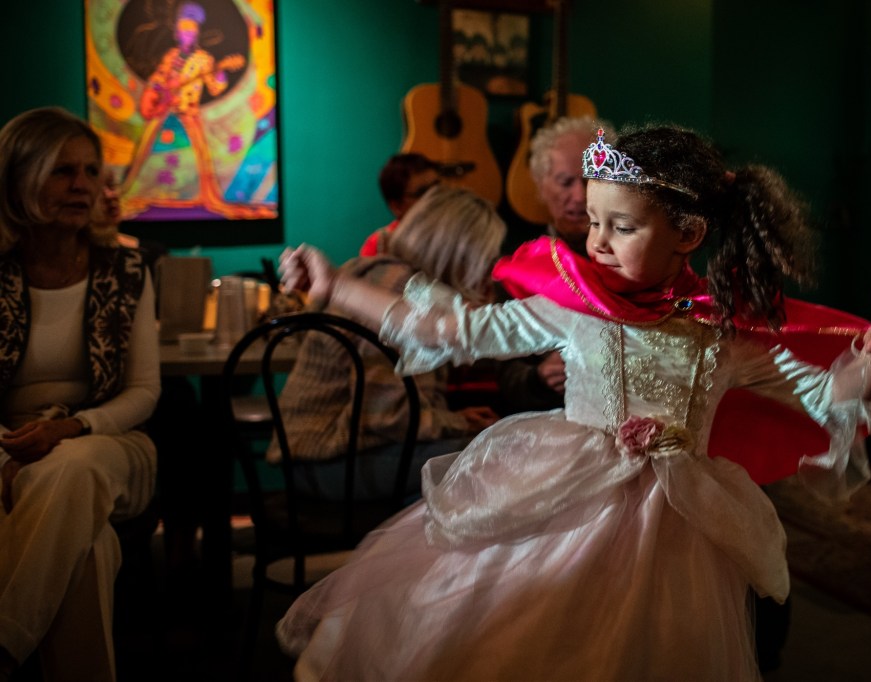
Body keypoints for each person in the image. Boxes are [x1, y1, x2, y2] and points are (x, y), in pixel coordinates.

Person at [274, 123, 871, 680]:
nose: (598, 242)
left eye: (622, 227)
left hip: (675, 529)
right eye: (593, 222)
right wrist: (334, 287)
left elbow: (825, 398)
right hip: (566, 506)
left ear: (688, 233)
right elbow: (450, 329)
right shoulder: (573, 309)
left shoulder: (724, 334)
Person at [0, 107, 160, 681]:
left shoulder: (127, 268)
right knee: (90, 548)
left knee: (73, 466)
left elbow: (144, 392)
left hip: (110, 442)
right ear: (18, 178)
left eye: (92, 171)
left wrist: (72, 428)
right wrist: (8, 452)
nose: (82, 185)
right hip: (9, 447)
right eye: (62, 171)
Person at [270, 184, 502, 501]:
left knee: (476, 454)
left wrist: (456, 420)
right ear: (461, 255)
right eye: (485, 262)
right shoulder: (403, 292)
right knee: (488, 459)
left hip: (316, 452)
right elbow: (389, 416)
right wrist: (458, 423)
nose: (488, 275)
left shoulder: (377, 274)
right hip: (324, 456)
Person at [496, 116, 616, 414]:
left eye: (591, 180)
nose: (580, 195)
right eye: (566, 182)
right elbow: (503, 373)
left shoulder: (633, 259)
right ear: (541, 186)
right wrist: (538, 378)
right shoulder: (520, 265)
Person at [120, 1, 264, 220]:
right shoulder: (171, 55)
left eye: (190, 31)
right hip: (164, 112)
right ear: (177, 33)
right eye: (183, 31)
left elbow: (215, 87)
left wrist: (219, 72)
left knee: (200, 158)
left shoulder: (204, 60)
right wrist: (154, 92)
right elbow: (159, 78)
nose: (186, 35)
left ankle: (201, 196)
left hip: (187, 113)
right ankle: (139, 192)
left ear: (196, 34)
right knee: (145, 151)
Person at [358, 153, 440, 257]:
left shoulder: (456, 229)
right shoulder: (379, 246)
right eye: (423, 193)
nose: (437, 197)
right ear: (396, 206)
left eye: (438, 188)